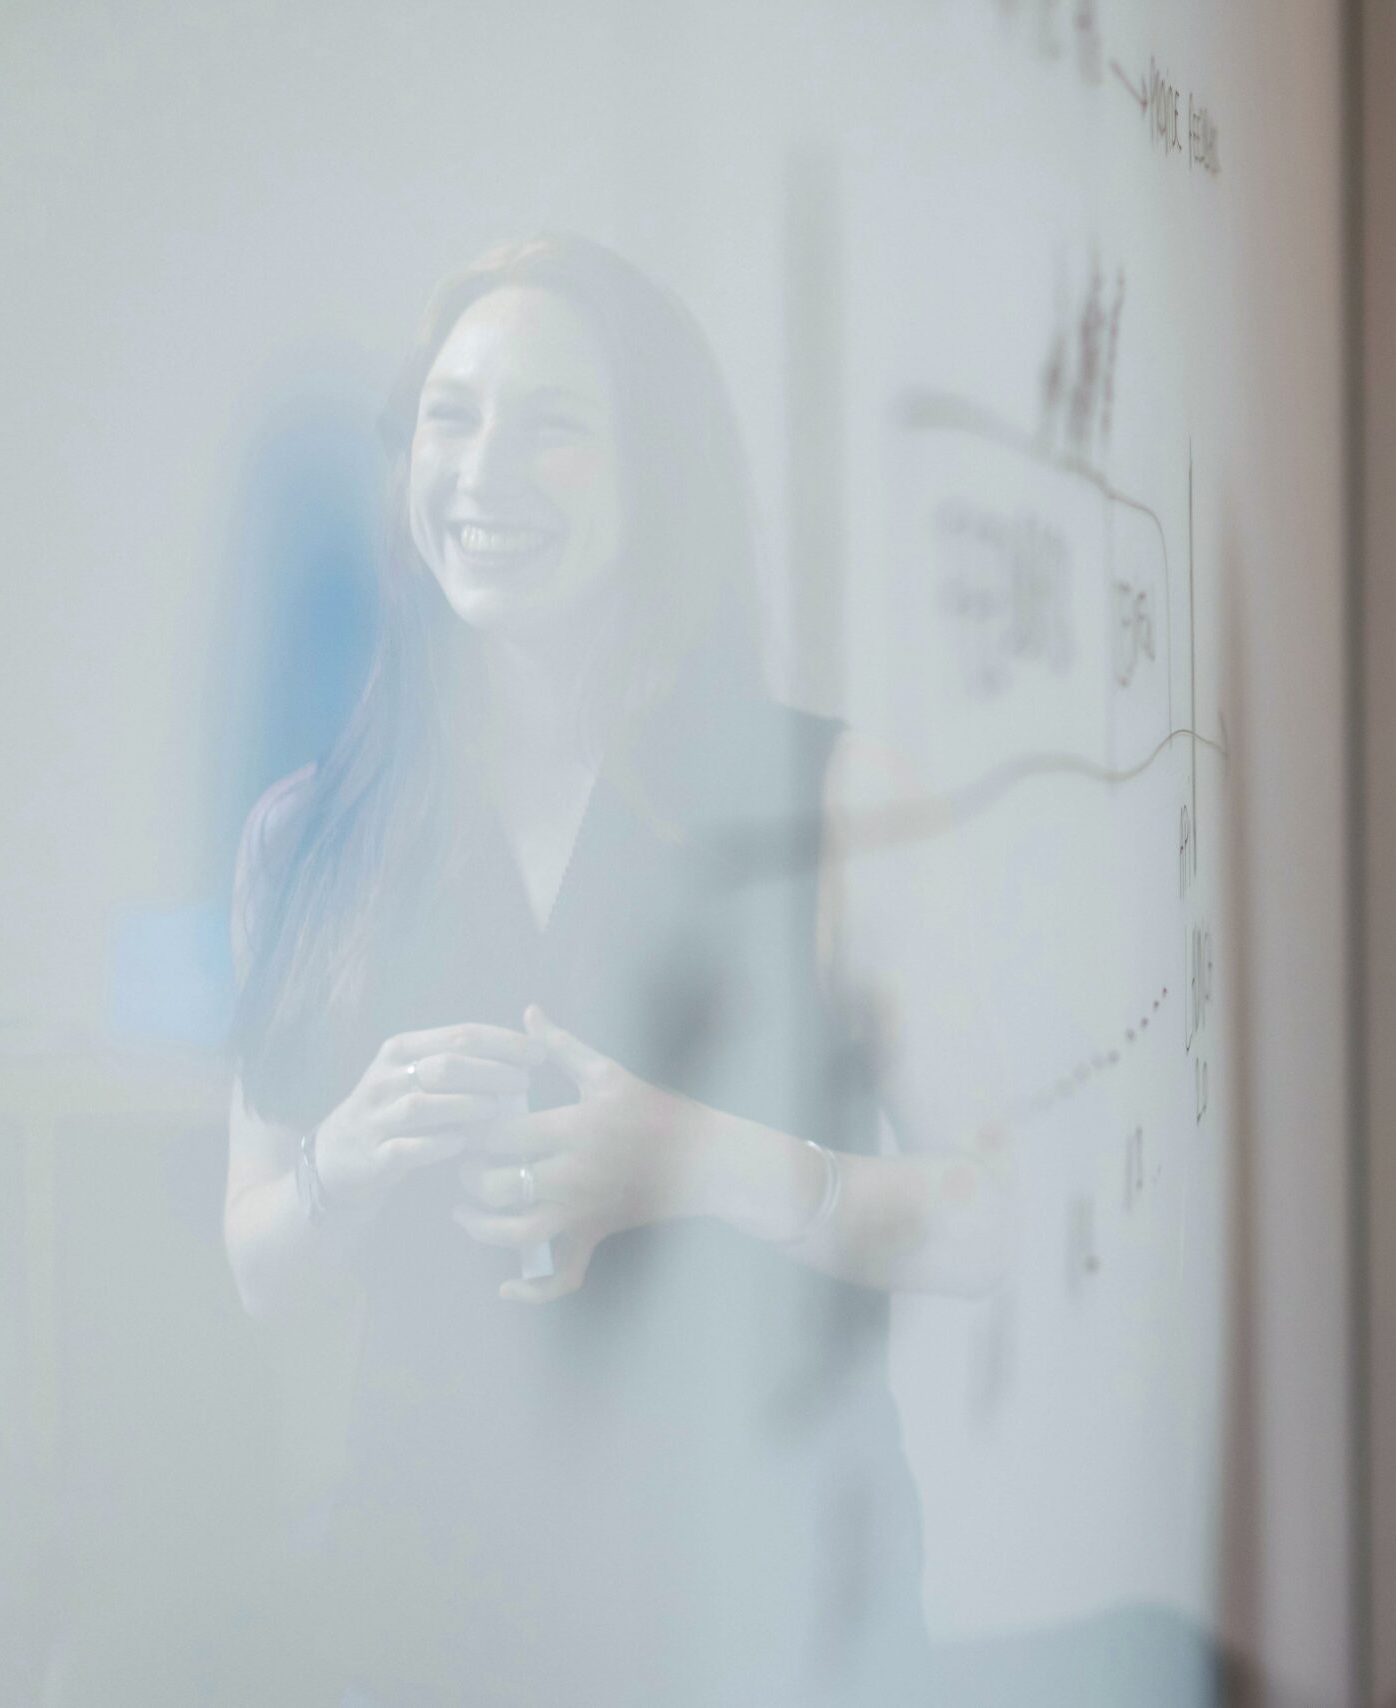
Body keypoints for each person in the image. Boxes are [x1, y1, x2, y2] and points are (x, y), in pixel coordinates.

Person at [221, 236, 1006, 1706]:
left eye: (554, 427)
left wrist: (695, 1161)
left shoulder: (840, 802)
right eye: (451, 418)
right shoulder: (308, 834)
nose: (484, 472)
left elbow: (1000, 1218)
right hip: (425, 1610)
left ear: (662, 477)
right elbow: (259, 1262)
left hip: (772, 1606)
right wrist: (347, 1156)